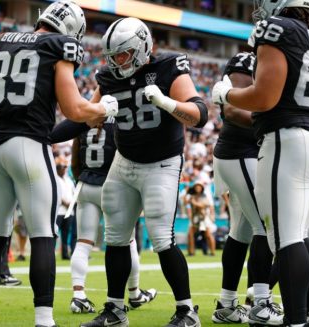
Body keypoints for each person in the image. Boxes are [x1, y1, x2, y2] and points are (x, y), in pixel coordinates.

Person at [0, 1, 117, 326]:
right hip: (29, 147)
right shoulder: (58, 45)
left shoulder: (3, 41)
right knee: (42, 235)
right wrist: (103, 110)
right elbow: (75, 109)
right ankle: (44, 320)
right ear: (72, 30)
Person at [212, 1, 309, 326]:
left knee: (288, 240)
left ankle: (297, 321)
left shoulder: (277, 29)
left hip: (288, 141)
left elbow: (264, 97)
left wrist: (226, 94)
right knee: (301, 236)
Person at [81, 17, 208, 327]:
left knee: (162, 238)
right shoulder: (109, 76)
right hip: (124, 162)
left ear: (140, 48)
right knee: (115, 237)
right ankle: (114, 310)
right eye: (111, 55)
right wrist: (98, 111)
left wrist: (166, 102)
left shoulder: (169, 67)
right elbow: (89, 119)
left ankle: (186, 311)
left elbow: (200, 114)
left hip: (162, 163)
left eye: (121, 54)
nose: (115, 62)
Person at [49, 117, 157, 314]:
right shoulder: (121, 123)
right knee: (128, 242)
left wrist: (82, 179)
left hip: (86, 185)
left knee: (83, 243)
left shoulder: (85, 122)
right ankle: (133, 293)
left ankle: (78, 295)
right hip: (112, 187)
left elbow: (75, 161)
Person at [211, 51, 279, 325]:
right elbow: (232, 109)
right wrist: (275, 123)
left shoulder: (274, 61)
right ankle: (261, 303)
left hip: (247, 154)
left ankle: (226, 304)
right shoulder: (247, 61)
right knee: (265, 226)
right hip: (239, 152)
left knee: (240, 233)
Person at [187, 181, 216, 256]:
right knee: (190, 234)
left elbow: (203, 205)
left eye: (199, 187)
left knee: (208, 235)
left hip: (204, 217)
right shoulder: (191, 196)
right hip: (195, 218)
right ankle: (191, 253)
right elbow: (186, 203)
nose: (198, 188)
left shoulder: (204, 196)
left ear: (202, 188)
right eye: (196, 187)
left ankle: (213, 252)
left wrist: (194, 202)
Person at [55, 156, 76, 260]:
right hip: (59, 211)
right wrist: (65, 203)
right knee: (54, 232)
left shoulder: (69, 180)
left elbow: (73, 193)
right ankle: (50, 252)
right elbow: (57, 194)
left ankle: (65, 254)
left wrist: (72, 204)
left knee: (65, 233)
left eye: (65, 167)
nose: (63, 169)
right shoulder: (55, 178)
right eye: (61, 167)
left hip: (69, 211)